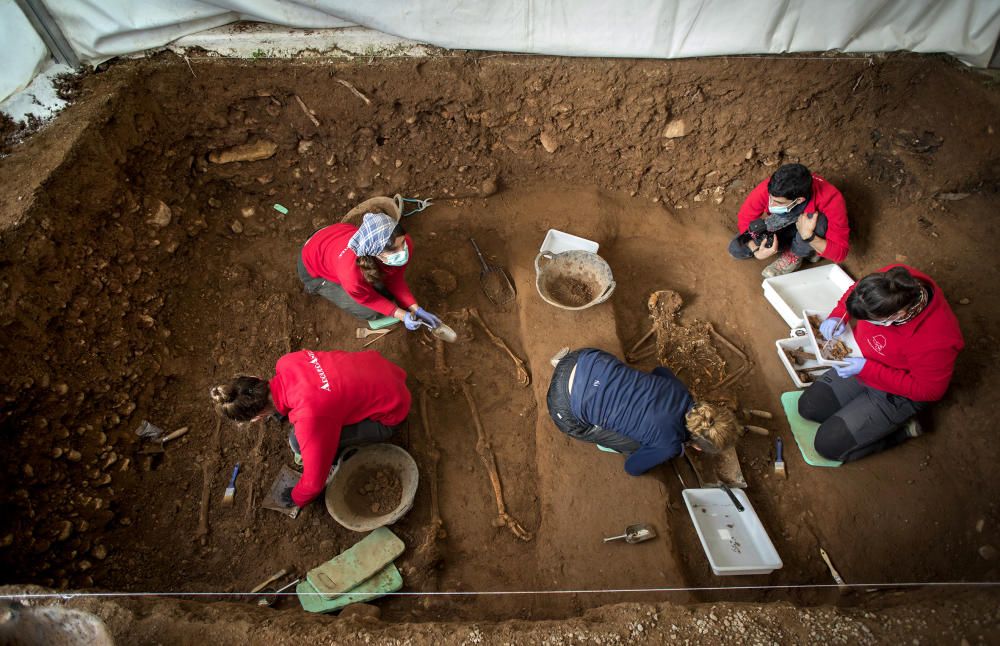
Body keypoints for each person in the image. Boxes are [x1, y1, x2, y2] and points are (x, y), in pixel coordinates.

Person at [798, 264, 964, 463]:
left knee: (827, 445)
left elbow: (929, 391)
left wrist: (867, 369)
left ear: (898, 315)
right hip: (861, 360)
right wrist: (839, 315)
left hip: (896, 391)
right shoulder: (892, 281)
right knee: (809, 407)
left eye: (872, 320)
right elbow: (856, 292)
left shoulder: (937, 339)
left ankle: (902, 432)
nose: (865, 323)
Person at [210, 349, 411, 511]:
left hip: (391, 412)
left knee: (297, 442)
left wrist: (295, 497)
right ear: (256, 377)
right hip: (385, 370)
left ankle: (341, 456)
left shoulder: (310, 419)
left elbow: (314, 483)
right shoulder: (286, 362)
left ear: (256, 417)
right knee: (321, 416)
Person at [546, 347, 741, 475]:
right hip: (562, 405)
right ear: (697, 447)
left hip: (580, 359)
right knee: (635, 444)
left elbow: (660, 372)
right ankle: (599, 432)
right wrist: (673, 449)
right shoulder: (668, 445)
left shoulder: (680, 391)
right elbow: (632, 467)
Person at [297, 210, 442, 332]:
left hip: (330, 235)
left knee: (381, 287)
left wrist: (416, 309)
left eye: (402, 243)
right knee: (370, 312)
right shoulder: (351, 275)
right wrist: (402, 315)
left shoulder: (403, 242)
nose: (403, 250)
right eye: (394, 250)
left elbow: (395, 279)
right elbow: (369, 299)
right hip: (311, 263)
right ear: (375, 253)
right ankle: (315, 287)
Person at [729, 163, 850, 278]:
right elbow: (746, 218)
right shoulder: (775, 187)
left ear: (799, 200)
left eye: (778, 202)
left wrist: (808, 236)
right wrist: (756, 250)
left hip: (810, 226)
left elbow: (840, 253)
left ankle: (797, 253)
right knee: (736, 248)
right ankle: (810, 251)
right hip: (783, 219)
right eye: (770, 198)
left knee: (819, 219)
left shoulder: (832, 199)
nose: (771, 203)